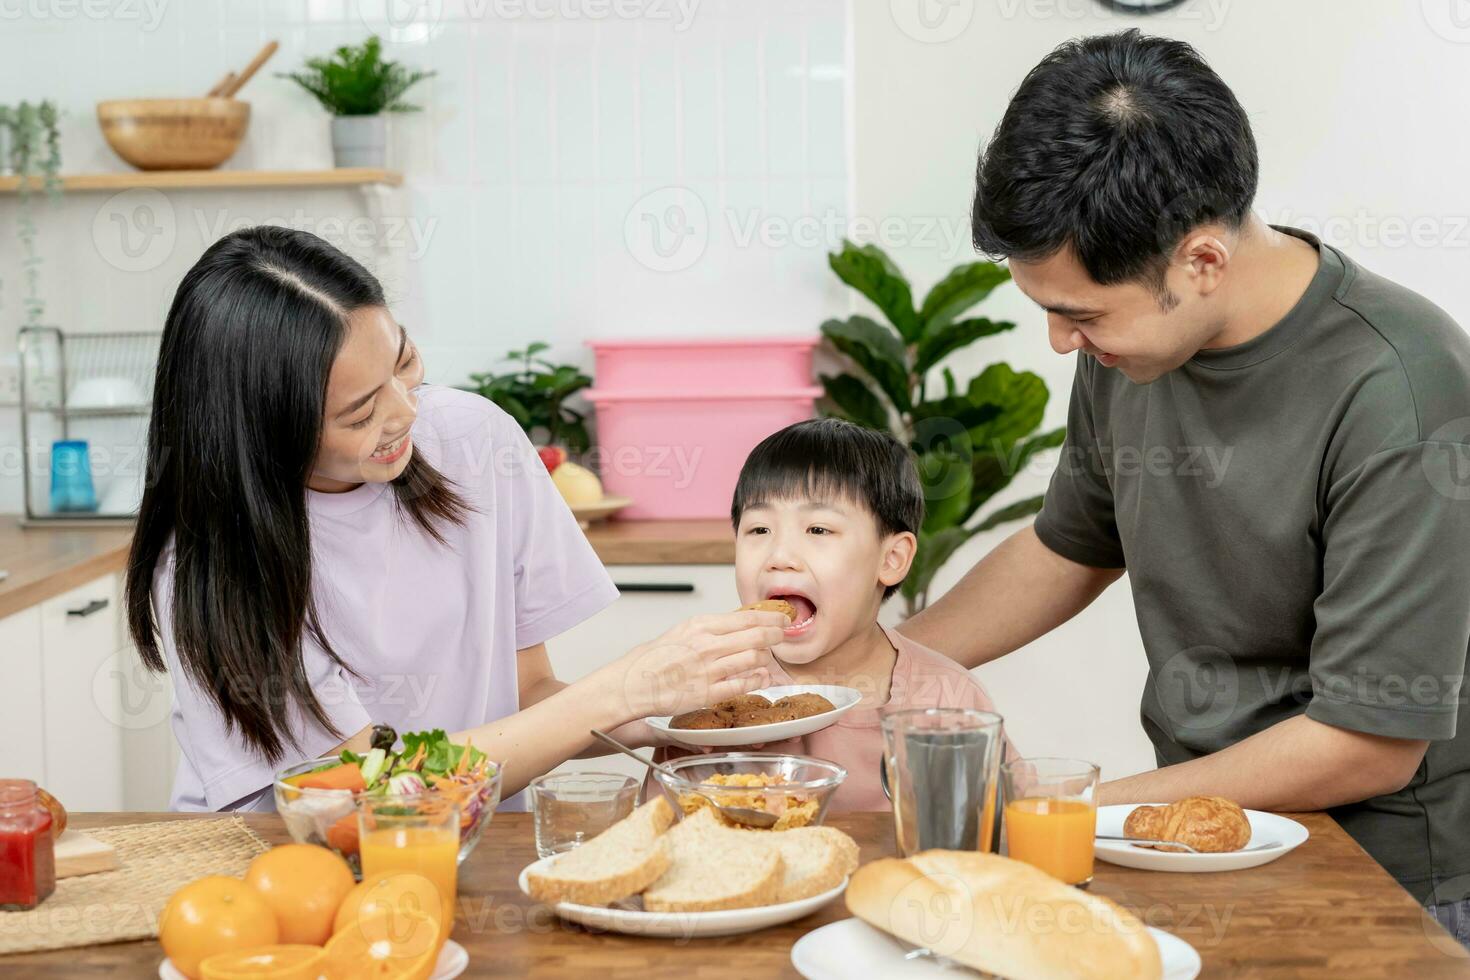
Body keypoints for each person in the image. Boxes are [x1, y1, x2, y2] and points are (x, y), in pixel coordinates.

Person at [899, 30, 1470, 941]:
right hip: (1193, 837)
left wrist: (1067, 812)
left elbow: (1367, 743)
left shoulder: (1400, 383)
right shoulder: (1131, 346)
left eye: (1076, 314)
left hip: (1385, 878)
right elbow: (1068, 547)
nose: (1059, 343)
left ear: (1202, 262)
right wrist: (887, 672)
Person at [125, 226, 784, 812]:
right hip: (280, 874)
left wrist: (664, 710)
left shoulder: (474, 442)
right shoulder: (207, 564)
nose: (406, 413)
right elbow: (368, 788)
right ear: (262, 433)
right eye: (359, 412)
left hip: (470, 849)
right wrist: (620, 691)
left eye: (404, 365)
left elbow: (525, 697)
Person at [658, 418, 1014, 811]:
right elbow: (666, 834)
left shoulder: (950, 698)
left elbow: (1004, 825)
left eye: (818, 530)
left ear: (891, 559)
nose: (780, 558)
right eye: (759, 530)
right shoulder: (710, 689)